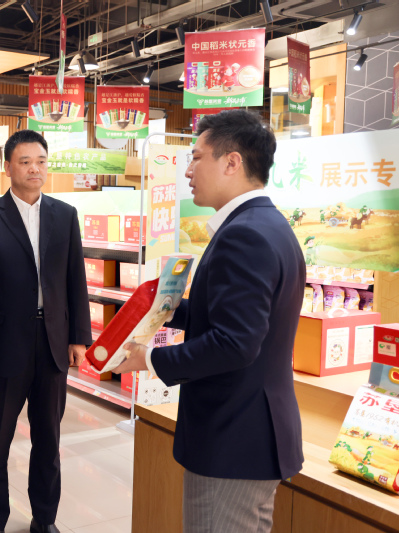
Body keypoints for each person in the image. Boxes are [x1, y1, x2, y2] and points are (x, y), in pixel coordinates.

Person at [112, 110, 305, 533]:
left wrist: (150, 358)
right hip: (250, 433)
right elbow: (234, 318)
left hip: (233, 437)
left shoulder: (244, 235)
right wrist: (164, 307)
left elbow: (235, 343)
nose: (188, 170)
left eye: (196, 157)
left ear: (232, 162)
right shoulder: (267, 224)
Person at [0, 130, 92, 533]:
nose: (34, 169)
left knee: (49, 440)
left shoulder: (64, 214)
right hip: (4, 347)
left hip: (53, 343)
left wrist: (79, 337)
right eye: (25, 161)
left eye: (40, 161)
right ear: (8, 167)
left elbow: (75, 280)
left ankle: (45, 519)